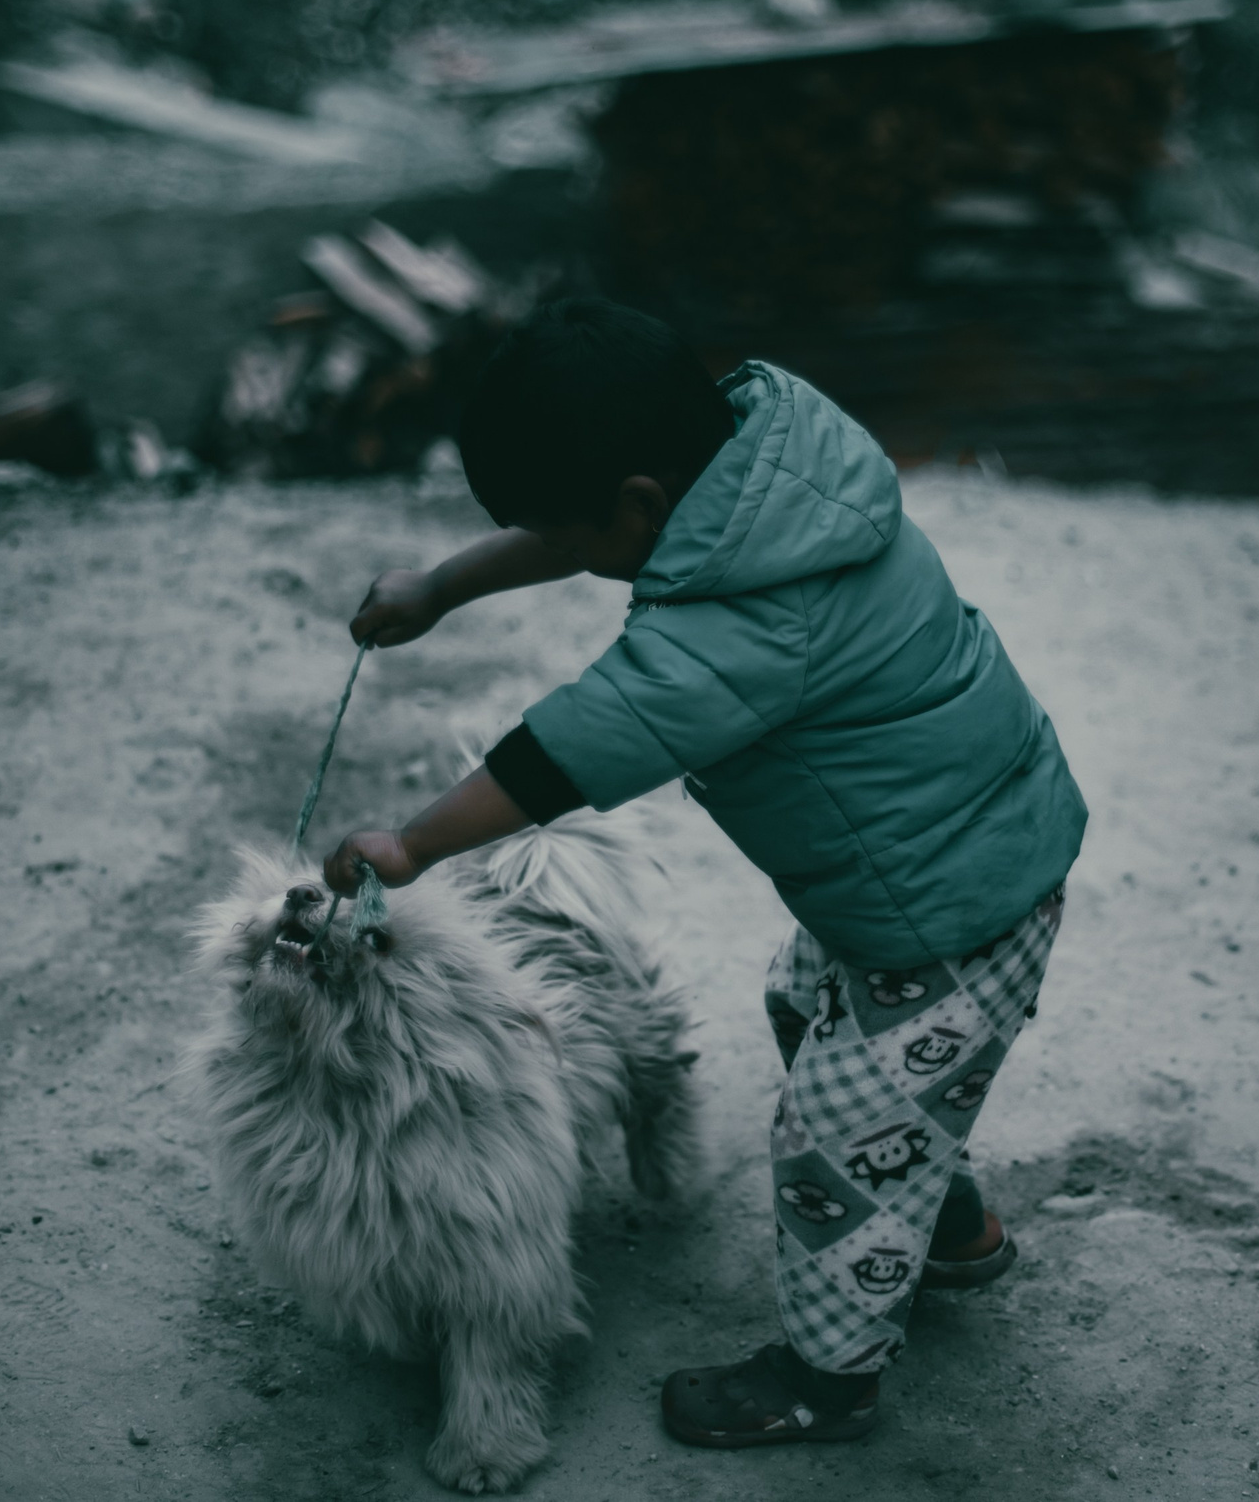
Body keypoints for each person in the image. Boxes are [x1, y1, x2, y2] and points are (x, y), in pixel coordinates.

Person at [320, 296, 1088, 1444]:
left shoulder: (746, 625)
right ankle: (946, 1226)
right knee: (811, 1019)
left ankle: (825, 1383)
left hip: (948, 902)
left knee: (831, 1139)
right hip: (947, 847)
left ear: (636, 505)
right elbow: (583, 524)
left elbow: (577, 742)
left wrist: (417, 844)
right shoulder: (761, 468)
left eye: (579, 543)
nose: (577, 563)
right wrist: (442, 587)